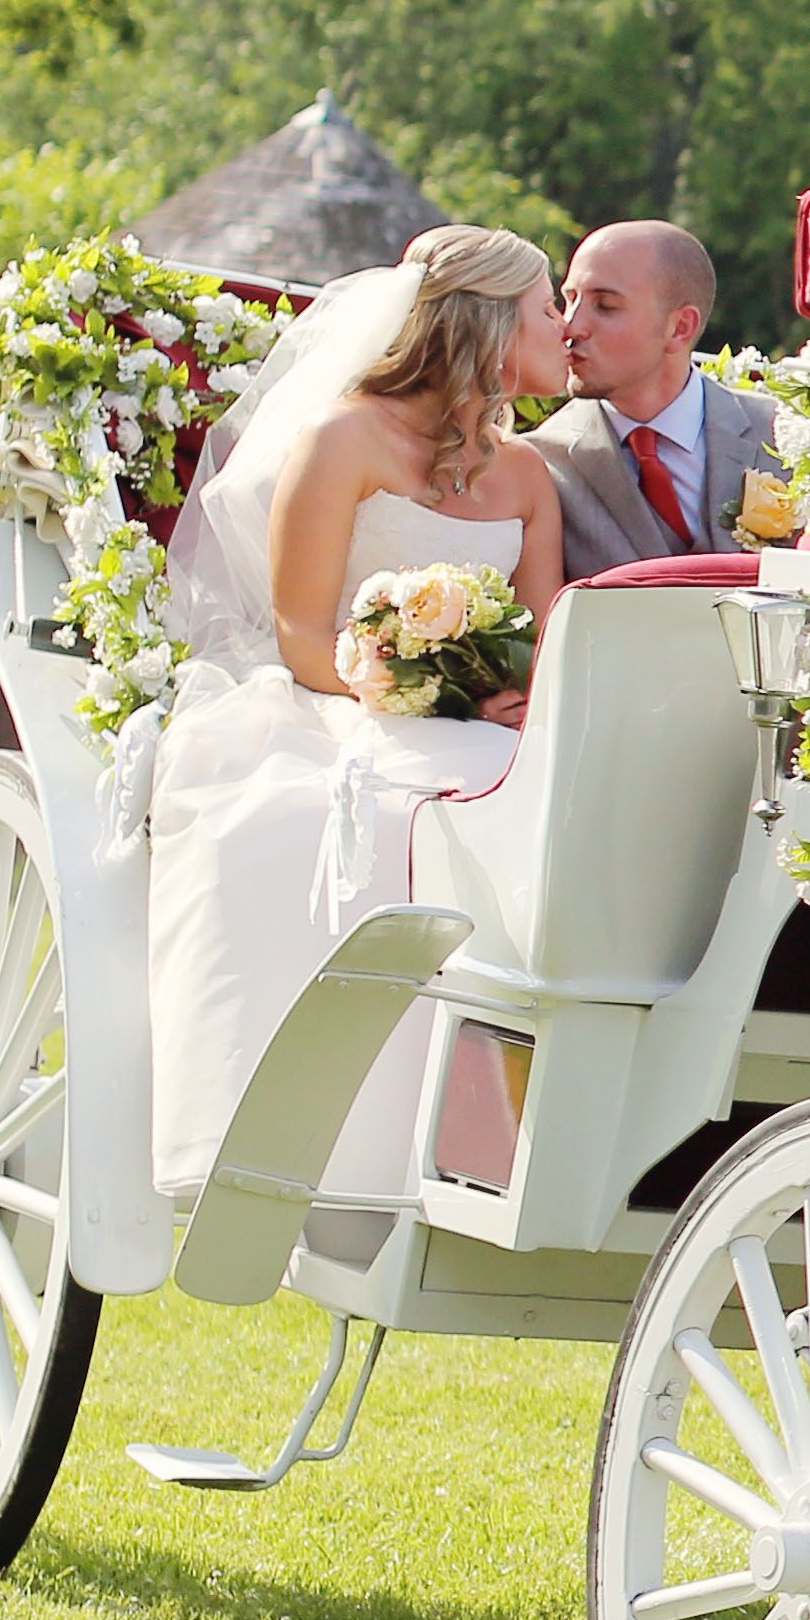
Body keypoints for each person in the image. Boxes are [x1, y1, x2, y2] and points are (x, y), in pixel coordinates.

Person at [142, 223, 574, 1211]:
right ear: (492, 323)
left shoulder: (527, 478)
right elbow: (300, 633)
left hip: (488, 732)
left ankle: (494, 1150)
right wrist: (413, 685)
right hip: (338, 701)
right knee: (366, 818)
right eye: (549, 305)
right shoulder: (343, 438)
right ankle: (314, 1147)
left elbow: (552, 636)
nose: (564, 326)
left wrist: (513, 699)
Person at [536, 219, 783, 576]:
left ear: (680, 328)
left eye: (605, 306)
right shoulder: (541, 463)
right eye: (570, 299)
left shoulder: (784, 438)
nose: (572, 326)